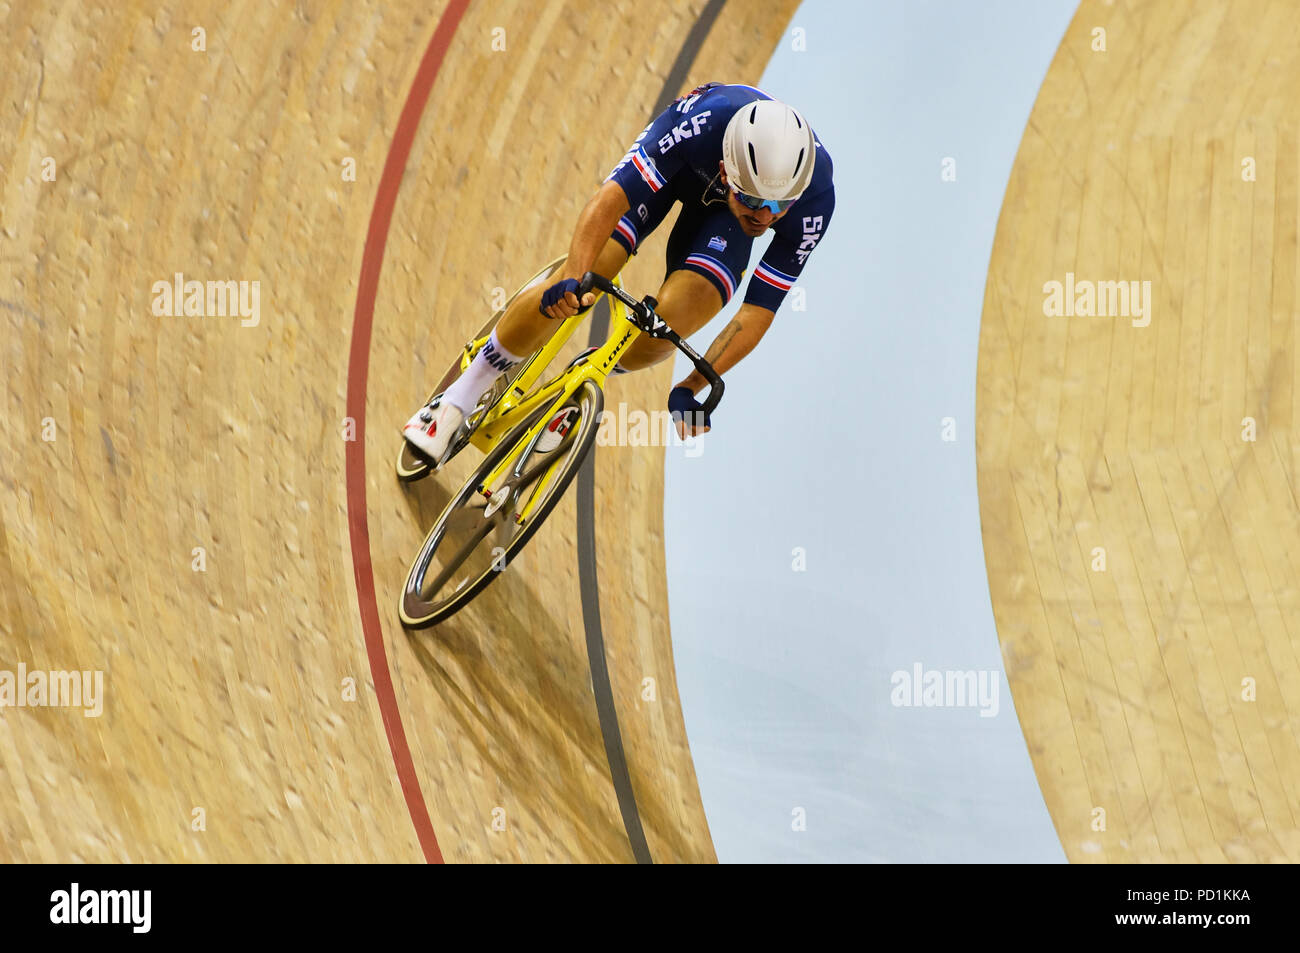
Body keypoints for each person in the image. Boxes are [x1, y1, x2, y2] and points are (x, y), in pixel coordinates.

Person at [404, 82, 835, 463]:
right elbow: (611, 198)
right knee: (590, 271)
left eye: (779, 206)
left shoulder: (815, 200)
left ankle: (578, 386)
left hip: (722, 221)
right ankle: (457, 399)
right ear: (728, 173)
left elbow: (758, 311)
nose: (765, 217)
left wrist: (691, 385)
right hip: (680, 168)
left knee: (667, 328)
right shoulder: (703, 123)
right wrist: (574, 274)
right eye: (754, 201)